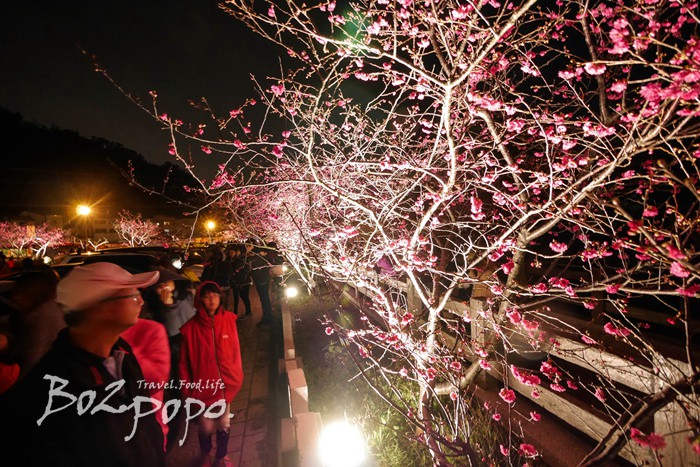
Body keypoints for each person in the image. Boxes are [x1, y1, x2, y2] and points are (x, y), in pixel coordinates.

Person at [0, 262, 165, 467]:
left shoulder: (123, 355)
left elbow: (146, 424)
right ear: (100, 308)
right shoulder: (53, 390)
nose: (141, 301)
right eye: (132, 295)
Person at [179, 281, 243, 467]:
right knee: (205, 427)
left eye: (215, 295)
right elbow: (183, 364)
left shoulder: (228, 320)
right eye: (206, 296)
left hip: (225, 387)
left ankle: (222, 455)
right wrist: (187, 389)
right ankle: (205, 453)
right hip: (203, 389)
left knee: (224, 424)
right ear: (199, 300)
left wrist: (236, 377)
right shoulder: (190, 329)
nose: (212, 300)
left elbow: (235, 351)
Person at [247, 243, 274, 326]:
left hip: (261, 280)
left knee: (264, 299)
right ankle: (268, 317)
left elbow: (255, 268)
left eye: (248, 246)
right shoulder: (258, 255)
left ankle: (267, 318)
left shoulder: (257, 255)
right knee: (264, 299)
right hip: (262, 280)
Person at [229, 244, 252, 320]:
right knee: (238, 297)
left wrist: (240, 281)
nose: (233, 253)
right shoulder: (233, 260)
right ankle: (236, 312)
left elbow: (245, 271)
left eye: (235, 252)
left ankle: (248, 312)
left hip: (243, 282)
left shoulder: (242, 260)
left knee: (244, 297)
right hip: (237, 282)